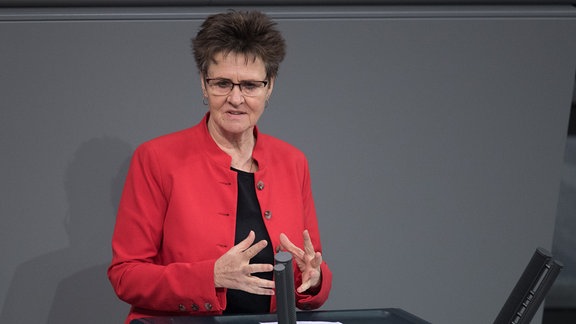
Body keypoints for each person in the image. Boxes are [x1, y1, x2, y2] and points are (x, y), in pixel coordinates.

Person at [107, 10, 332, 323]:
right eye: (223, 83)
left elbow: (312, 267)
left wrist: (314, 277)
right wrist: (209, 276)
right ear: (203, 83)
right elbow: (126, 275)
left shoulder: (293, 162)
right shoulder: (156, 158)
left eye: (251, 86)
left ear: (270, 87)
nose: (236, 99)